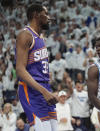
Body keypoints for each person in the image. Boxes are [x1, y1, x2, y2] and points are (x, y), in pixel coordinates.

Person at [15, 3, 58, 131]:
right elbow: (20, 70)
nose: (49, 18)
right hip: (32, 90)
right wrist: (43, 91)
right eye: (46, 14)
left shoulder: (41, 38)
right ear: (36, 15)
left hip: (44, 88)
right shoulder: (25, 35)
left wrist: (48, 89)